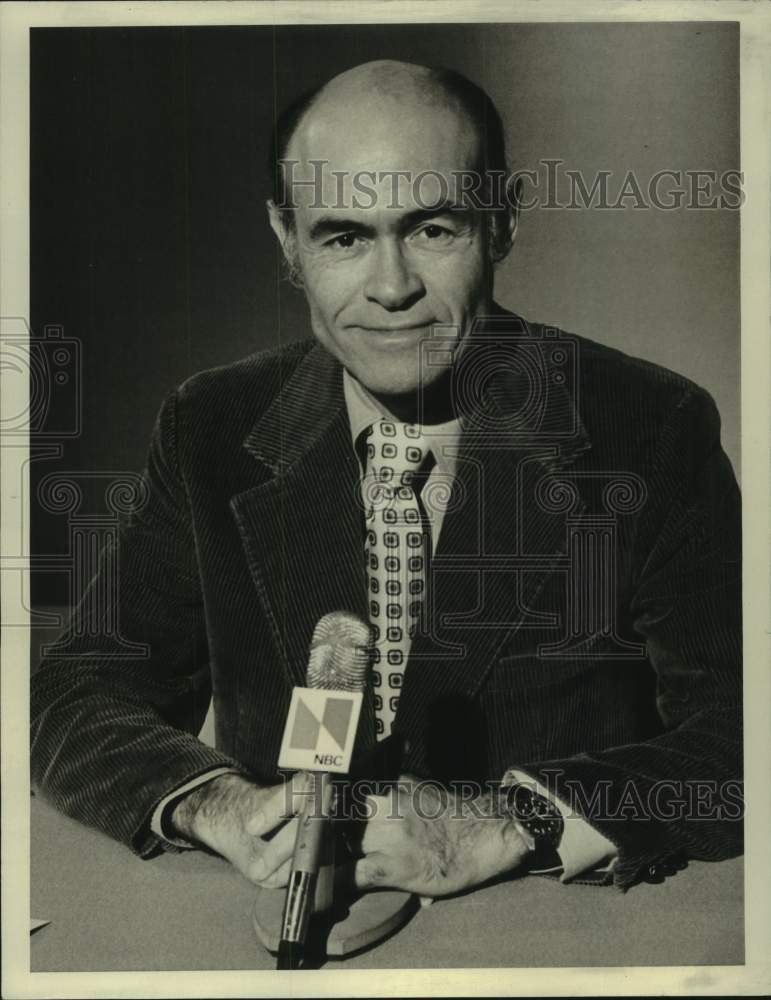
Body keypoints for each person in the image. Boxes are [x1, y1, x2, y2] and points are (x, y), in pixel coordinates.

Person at [30, 59, 742, 899]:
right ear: (286, 241)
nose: (392, 287)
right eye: (343, 236)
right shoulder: (211, 424)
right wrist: (214, 803)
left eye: (434, 230)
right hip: (272, 928)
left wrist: (521, 823)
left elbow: (745, 732)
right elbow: (77, 690)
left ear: (502, 221)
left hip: (542, 930)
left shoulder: (648, 427)